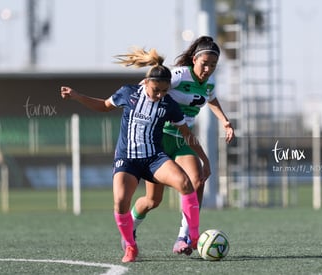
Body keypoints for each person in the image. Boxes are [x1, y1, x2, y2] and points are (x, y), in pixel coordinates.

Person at [60, 48, 210, 263]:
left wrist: (204, 159)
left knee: (185, 183)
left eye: (165, 91)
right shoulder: (127, 93)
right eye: (156, 90)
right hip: (127, 160)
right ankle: (130, 246)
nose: (160, 95)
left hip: (154, 159)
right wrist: (77, 96)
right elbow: (103, 106)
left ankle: (193, 237)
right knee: (121, 201)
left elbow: (188, 134)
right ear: (146, 82)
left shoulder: (169, 105)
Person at [130, 36, 235, 255]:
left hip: (182, 140)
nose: (208, 69)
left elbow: (211, 98)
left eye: (213, 65)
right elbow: (149, 85)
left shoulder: (210, 83)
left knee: (197, 180)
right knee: (152, 200)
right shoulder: (179, 75)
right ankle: (130, 228)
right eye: (204, 63)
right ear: (194, 60)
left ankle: (183, 237)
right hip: (158, 139)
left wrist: (225, 121)